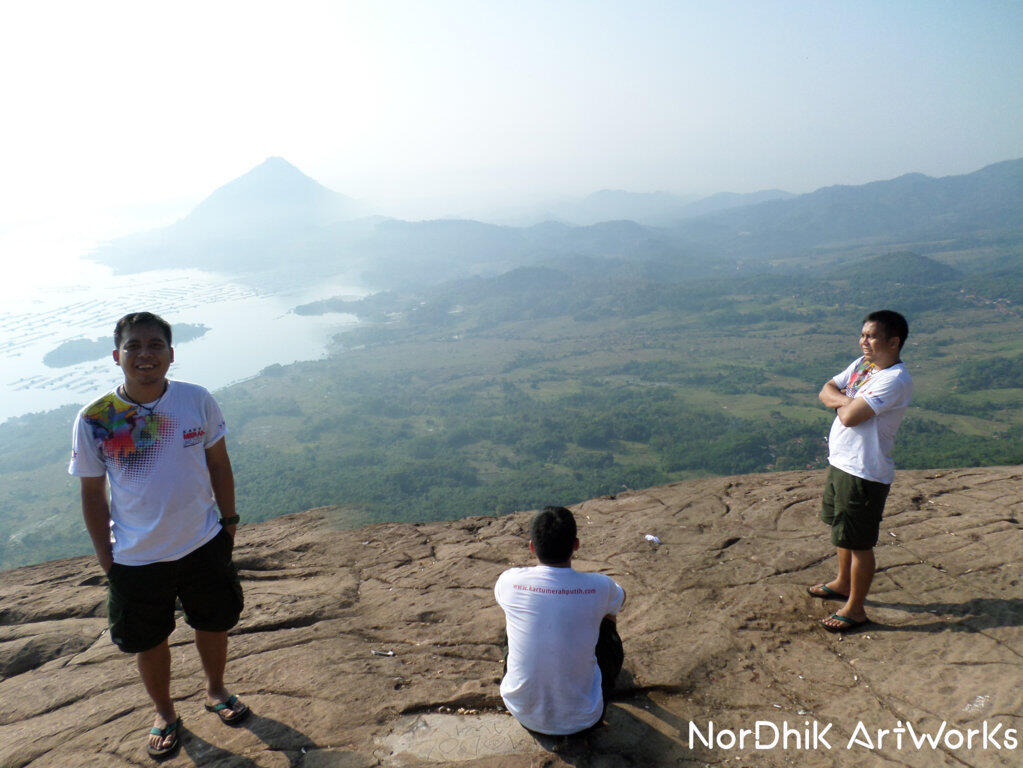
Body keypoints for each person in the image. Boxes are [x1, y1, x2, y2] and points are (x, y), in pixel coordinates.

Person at [69, 312, 246, 760]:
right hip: (135, 556)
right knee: (148, 641)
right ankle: (165, 712)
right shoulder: (96, 418)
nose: (144, 354)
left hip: (203, 541)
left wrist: (228, 524)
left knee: (212, 622)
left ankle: (216, 690)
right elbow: (92, 493)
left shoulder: (196, 401)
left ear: (171, 353)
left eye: (154, 345)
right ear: (117, 356)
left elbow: (219, 464)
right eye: (134, 346)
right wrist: (106, 559)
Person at [808, 310, 913, 633]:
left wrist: (842, 405)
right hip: (842, 462)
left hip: (865, 472)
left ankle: (855, 609)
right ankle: (842, 582)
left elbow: (850, 418)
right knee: (843, 530)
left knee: (860, 543)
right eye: (863, 335)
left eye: (871, 336)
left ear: (893, 342)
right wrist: (846, 402)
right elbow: (826, 390)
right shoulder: (863, 365)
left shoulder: (894, 380)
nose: (863, 341)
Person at [495, 506, 625, 736]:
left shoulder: (509, 581)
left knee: (514, 623)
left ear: (532, 547)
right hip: (586, 717)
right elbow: (619, 600)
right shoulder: (600, 585)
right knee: (606, 620)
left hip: (523, 712)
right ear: (576, 545)